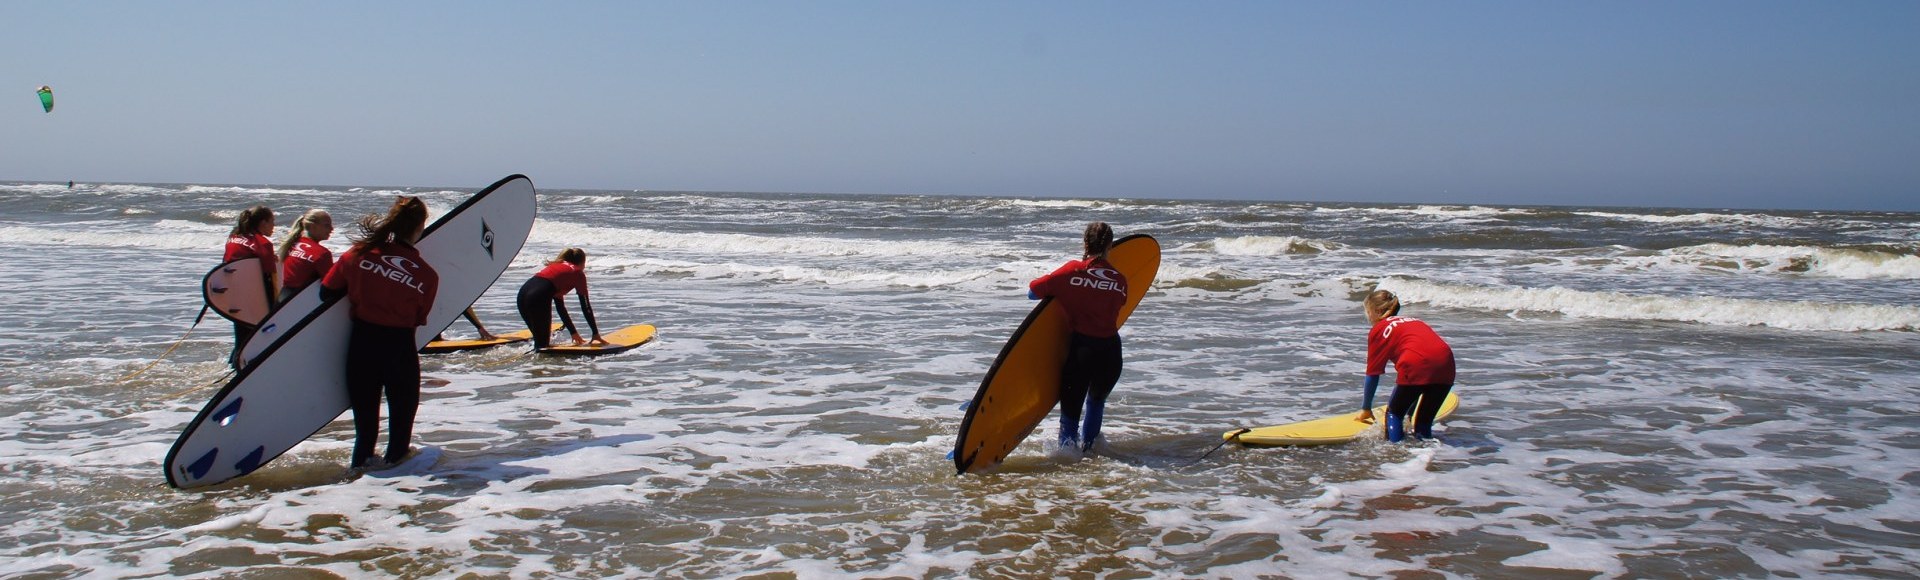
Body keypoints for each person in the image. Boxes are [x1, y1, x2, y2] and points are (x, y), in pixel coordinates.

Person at [320, 196, 439, 470]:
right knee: (400, 429)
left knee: (365, 429)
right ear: (420, 226)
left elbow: (326, 292)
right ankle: (397, 494)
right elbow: (420, 319)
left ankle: (360, 485)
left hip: (361, 346)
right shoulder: (427, 275)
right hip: (399, 350)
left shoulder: (357, 254)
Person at [1028, 222, 1128, 452]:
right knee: (1096, 402)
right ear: (1110, 245)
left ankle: (1069, 464)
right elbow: (1119, 304)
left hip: (1082, 351)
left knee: (1070, 416)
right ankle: (1093, 455)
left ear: (1085, 243)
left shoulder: (1072, 271)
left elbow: (1033, 291)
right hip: (1111, 353)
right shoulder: (1120, 280)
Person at [1356, 290, 1456, 442]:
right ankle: (1427, 454)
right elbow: (1422, 377)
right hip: (1446, 364)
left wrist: (1366, 408)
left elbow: (1373, 374)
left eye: (1368, 312)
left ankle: (1396, 452)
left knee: (1394, 414)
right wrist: (1408, 415)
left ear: (1376, 311)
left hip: (1416, 365)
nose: (1368, 317)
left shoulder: (1379, 329)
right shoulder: (1415, 321)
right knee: (1423, 422)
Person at [222, 205, 278, 368]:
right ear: (262, 223)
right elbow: (270, 276)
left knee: (240, 334)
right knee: (254, 336)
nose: (274, 226)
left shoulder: (234, 237)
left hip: (233, 293)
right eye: (272, 222)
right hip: (252, 297)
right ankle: (245, 369)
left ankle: (234, 364)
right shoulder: (263, 243)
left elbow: (228, 264)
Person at [517, 248, 605, 351]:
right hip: (538, 297)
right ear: (582, 262)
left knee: (540, 343)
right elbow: (586, 307)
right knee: (543, 348)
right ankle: (539, 365)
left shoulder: (557, 268)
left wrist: (573, 333)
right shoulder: (577, 273)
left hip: (522, 295)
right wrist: (595, 333)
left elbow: (560, 307)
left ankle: (530, 364)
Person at [275, 209, 334, 303]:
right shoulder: (322, 254)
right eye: (327, 225)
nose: (332, 229)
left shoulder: (292, 244)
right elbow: (332, 286)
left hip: (282, 301)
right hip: (303, 305)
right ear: (312, 227)